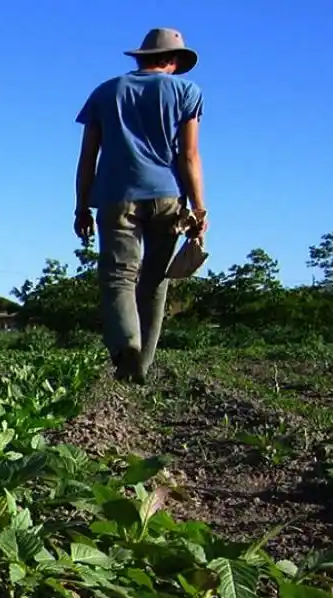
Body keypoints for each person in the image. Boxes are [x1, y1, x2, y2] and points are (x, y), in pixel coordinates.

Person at [73, 27, 208, 385]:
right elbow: (189, 156)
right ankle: (141, 368)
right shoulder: (187, 92)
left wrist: (81, 207)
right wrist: (198, 208)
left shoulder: (106, 92)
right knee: (156, 281)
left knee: (119, 277)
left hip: (116, 195)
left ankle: (127, 348)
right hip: (167, 196)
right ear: (174, 61)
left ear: (142, 57)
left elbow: (88, 158)